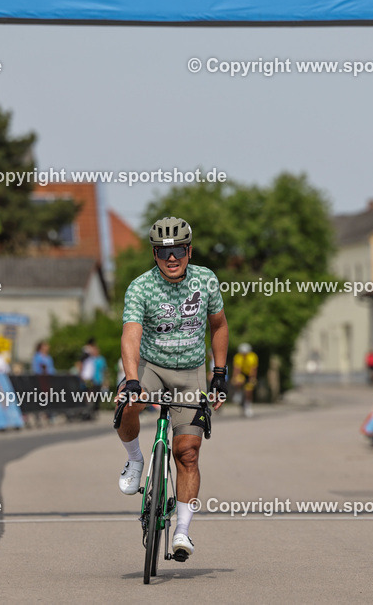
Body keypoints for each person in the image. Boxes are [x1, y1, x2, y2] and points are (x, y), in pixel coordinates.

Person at [116, 216, 228, 562]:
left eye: (178, 250)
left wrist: (220, 374)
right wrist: (133, 380)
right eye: (164, 252)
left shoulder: (206, 280)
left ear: (189, 250)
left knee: (188, 453)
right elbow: (131, 335)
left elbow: (219, 326)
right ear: (154, 254)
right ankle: (135, 460)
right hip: (152, 367)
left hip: (191, 371)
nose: (171, 258)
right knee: (126, 403)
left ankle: (182, 531)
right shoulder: (140, 287)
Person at [231, 343, 259, 417]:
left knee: (249, 390)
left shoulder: (253, 357)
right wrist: (234, 378)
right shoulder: (238, 357)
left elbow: (254, 369)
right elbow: (237, 369)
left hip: (249, 374)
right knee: (238, 381)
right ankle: (238, 392)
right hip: (242, 373)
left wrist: (252, 379)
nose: (244, 355)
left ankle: (248, 406)